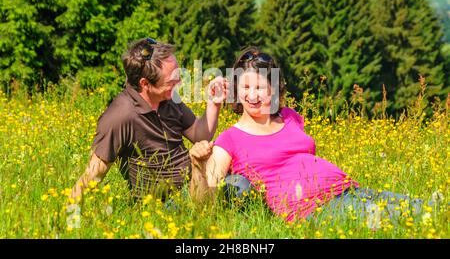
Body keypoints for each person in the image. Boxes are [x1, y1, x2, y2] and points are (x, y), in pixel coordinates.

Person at [193, 46, 427, 223]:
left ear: (273, 89)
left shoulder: (289, 116)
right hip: (317, 209)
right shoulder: (230, 139)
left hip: (351, 190)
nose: (253, 95)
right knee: (412, 218)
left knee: (427, 208)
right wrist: (197, 165)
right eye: (245, 88)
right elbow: (203, 201)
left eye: (260, 88)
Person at [70, 38, 228, 203]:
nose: (180, 83)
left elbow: (199, 135)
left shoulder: (168, 99)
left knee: (238, 184)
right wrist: (68, 212)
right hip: (162, 204)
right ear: (145, 84)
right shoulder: (120, 116)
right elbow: (94, 172)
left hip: (195, 183)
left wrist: (213, 103)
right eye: (171, 81)